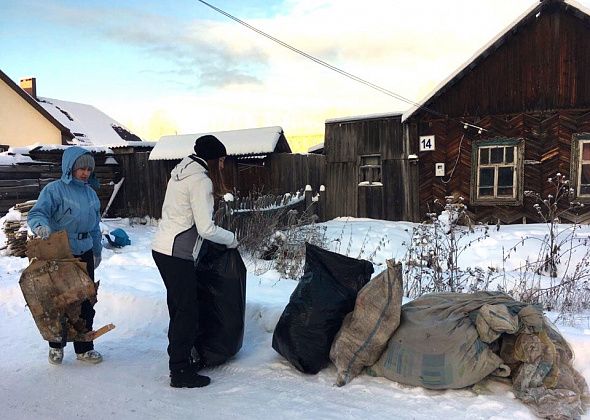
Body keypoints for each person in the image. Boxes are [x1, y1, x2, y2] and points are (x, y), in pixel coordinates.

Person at [152, 134, 238, 389]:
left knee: (179, 309)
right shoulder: (200, 181)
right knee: (186, 312)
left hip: (163, 248)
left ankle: (182, 357)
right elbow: (206, 228)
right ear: (213, 160)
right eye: (221, 160)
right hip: (176, 253)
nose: (222, 165)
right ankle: (179, 371)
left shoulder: (180, 172)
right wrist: (231, 239)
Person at [28, 146, 104, 365]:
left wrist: (97, 250)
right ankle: (56, 346)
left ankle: (84, 348)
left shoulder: (91, 193)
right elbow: (37, 213)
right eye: (81, 168)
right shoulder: (55, 190)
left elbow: (95, 227)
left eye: (88, 169)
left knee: (86, 301)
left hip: (85, 251)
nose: (85, 173)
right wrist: (40, 226)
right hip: (62, 252)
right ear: (70, 167)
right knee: (59, 301)